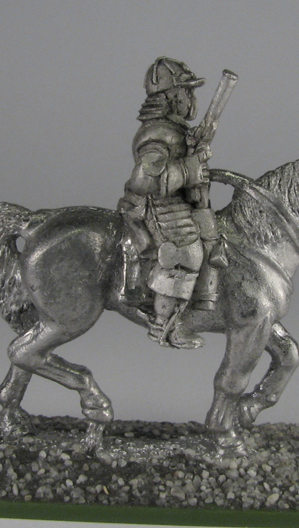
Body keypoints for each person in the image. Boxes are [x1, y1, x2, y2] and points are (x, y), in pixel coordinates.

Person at [118, 57, 224, 349]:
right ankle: (164, 326)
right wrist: (190, 169)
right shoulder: (157, 133)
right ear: (172, 96)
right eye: (186, 92)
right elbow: (144, 180)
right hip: (157, 204)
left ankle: (202, 302)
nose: (191, 99)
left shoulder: (175, 130)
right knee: (186, 251)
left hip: (184, 200)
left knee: (213, 240)